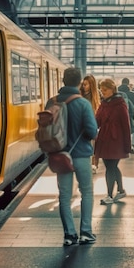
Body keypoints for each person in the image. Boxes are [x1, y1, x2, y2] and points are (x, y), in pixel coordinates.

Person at [46, 67, 98, 246]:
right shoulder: (83, 104)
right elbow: (92, 132)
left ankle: (69, 234)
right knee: (87, 192)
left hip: (60, 155)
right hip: (81, 155)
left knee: (64, 196)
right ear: (79, 83)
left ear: (63, 80)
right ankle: (86, 232)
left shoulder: (51, 102)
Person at [95, 78, 131, 205]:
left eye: (105, 90)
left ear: (112, 89)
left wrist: (128, 145)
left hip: (116, 141)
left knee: (110, 167)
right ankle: (120, 190)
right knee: (112, 166)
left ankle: (109, 195)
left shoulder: (121, 105)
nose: (102, 92)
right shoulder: (103, 104)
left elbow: (126, 126)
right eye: (101, 89)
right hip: (105, 139)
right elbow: (97, 121)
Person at [80, 74, 101, 173]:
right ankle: (87, 165)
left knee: (93, 146)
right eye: (83, 84)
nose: (84, 86)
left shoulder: (98, 96)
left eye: (86, 85)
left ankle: (93, 165)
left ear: (91, 85)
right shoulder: (80, 95)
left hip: (94, 124)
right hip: (82, 125)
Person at [118, 77, 134, 153]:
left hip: (119, 115)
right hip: (130, 114)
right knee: (133, 130)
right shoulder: (133, 94)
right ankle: (132, 145)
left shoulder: (117, 93)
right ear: (128, 83)